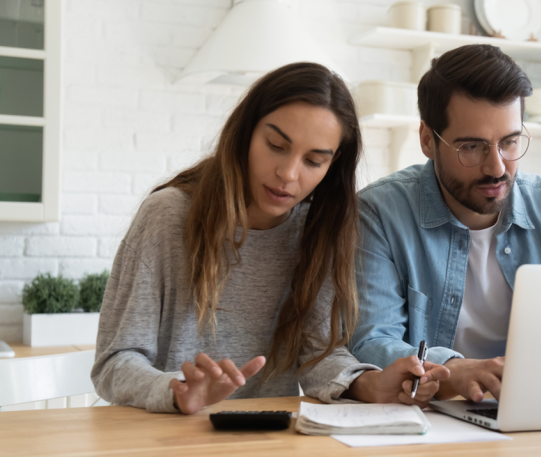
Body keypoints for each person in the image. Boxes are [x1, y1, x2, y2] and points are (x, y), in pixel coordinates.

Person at [91, 62, 448, 414]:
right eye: (276, 145)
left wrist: (371, 383)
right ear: (246, 132)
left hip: (265, 439)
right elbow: (115, 361)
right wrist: (177, 391)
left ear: (333, 164)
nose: (288, 174)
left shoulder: (318, 229)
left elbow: (316, 355)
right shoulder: (167, 217)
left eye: (313, 161)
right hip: (163, 439)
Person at [350, 45, 541, 404]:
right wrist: (455, 370)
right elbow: (371, 341)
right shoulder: (378, 213)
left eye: (510, 142)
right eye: (472, 147)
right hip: (433, 417)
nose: (497, 167)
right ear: (428, 139)